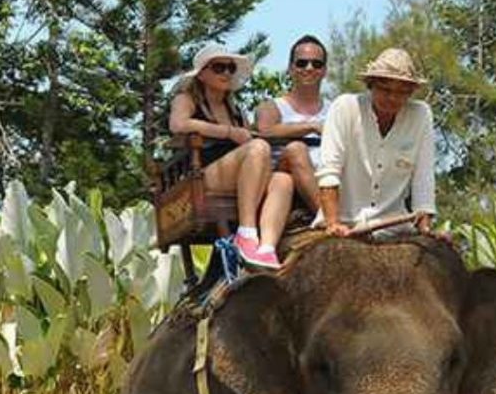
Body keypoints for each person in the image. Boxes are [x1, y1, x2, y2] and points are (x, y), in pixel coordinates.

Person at [169, 42, 293, 269]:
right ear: (202, 74)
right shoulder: (186, 99)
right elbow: (178, 124)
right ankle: (246, 232)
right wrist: (228, 132)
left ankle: (266, 247)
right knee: (258, 148)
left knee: (284, 180)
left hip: (242, 176)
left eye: (230, 68)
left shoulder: (235, 110)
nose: (226, 73)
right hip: (204, 176)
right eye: (219, 68)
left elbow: (249, 138)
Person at [314, 47, 436, 237]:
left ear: (411, 92)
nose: (393, 98)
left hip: (395, 225)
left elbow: (424, 179)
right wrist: (333, 223)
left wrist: (426, 228)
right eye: (385, 89)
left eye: (402, 92)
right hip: (346, 222)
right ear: (371, 85)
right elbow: (329, 171)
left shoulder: (421, 115)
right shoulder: (345, 107)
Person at [254, 34, 331, 213]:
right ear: (290, 68)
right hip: (285, 175)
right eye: (302, 63)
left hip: (329, 176)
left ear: (324, 70)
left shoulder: (335, 109)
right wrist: (311, 126)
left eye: (316, 64)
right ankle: (327, 215)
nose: (309, 68)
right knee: (296, 149)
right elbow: (265, 131)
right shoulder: (271, 107)